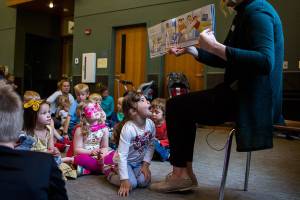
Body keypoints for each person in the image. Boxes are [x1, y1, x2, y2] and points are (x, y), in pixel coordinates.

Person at [150, 0, 284, 192]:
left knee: (176, 106)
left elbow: (265, 62)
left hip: (250, 101)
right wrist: (192, 50)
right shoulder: (246, 12)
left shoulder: (257, 13)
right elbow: (226, 58)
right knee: (180, 105)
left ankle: (180, 175)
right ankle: (184, 174)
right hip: (242, 94)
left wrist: (213, 46)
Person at [0, 80, 68, 199]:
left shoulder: (48, 131)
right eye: (44, 113)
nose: (48, 115)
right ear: (18, 123)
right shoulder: (44, 165)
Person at [105, 91, 155, 197]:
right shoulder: (128, 128)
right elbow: (122, 156)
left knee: (144, 181)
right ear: (133, 111)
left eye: (146, 99)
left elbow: (151, 145)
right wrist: (124, 179)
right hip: (125, 161)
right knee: (131, 184)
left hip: (139, 162)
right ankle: (109, 172)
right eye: (143, 100)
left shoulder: (151, 124)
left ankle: (128, 173)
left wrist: (146, 165)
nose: (148, 101)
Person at [72, 100, 112, 175]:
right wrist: (90, 152)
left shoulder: (104, 128)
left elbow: (105, 147)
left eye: (96, 108)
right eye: (92, 109)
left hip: (98, 156)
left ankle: (89, 169)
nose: (96, 111)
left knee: (115, 155)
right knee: (80, 159)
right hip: (86, 155)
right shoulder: (80, 129)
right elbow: (76, 150)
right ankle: (101, 168)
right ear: (83, 114)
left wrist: (101, 155)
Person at [23, 99, 62, 164]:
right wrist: (45, 153)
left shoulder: (48, 129)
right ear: (33, 116)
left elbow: (51, 148)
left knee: (57, 159)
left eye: (49, 112)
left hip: (45, 158)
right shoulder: (28, 133)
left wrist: (55, 151)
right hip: (34, 161)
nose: (49, 115)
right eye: (44, 113)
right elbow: (26, 153)